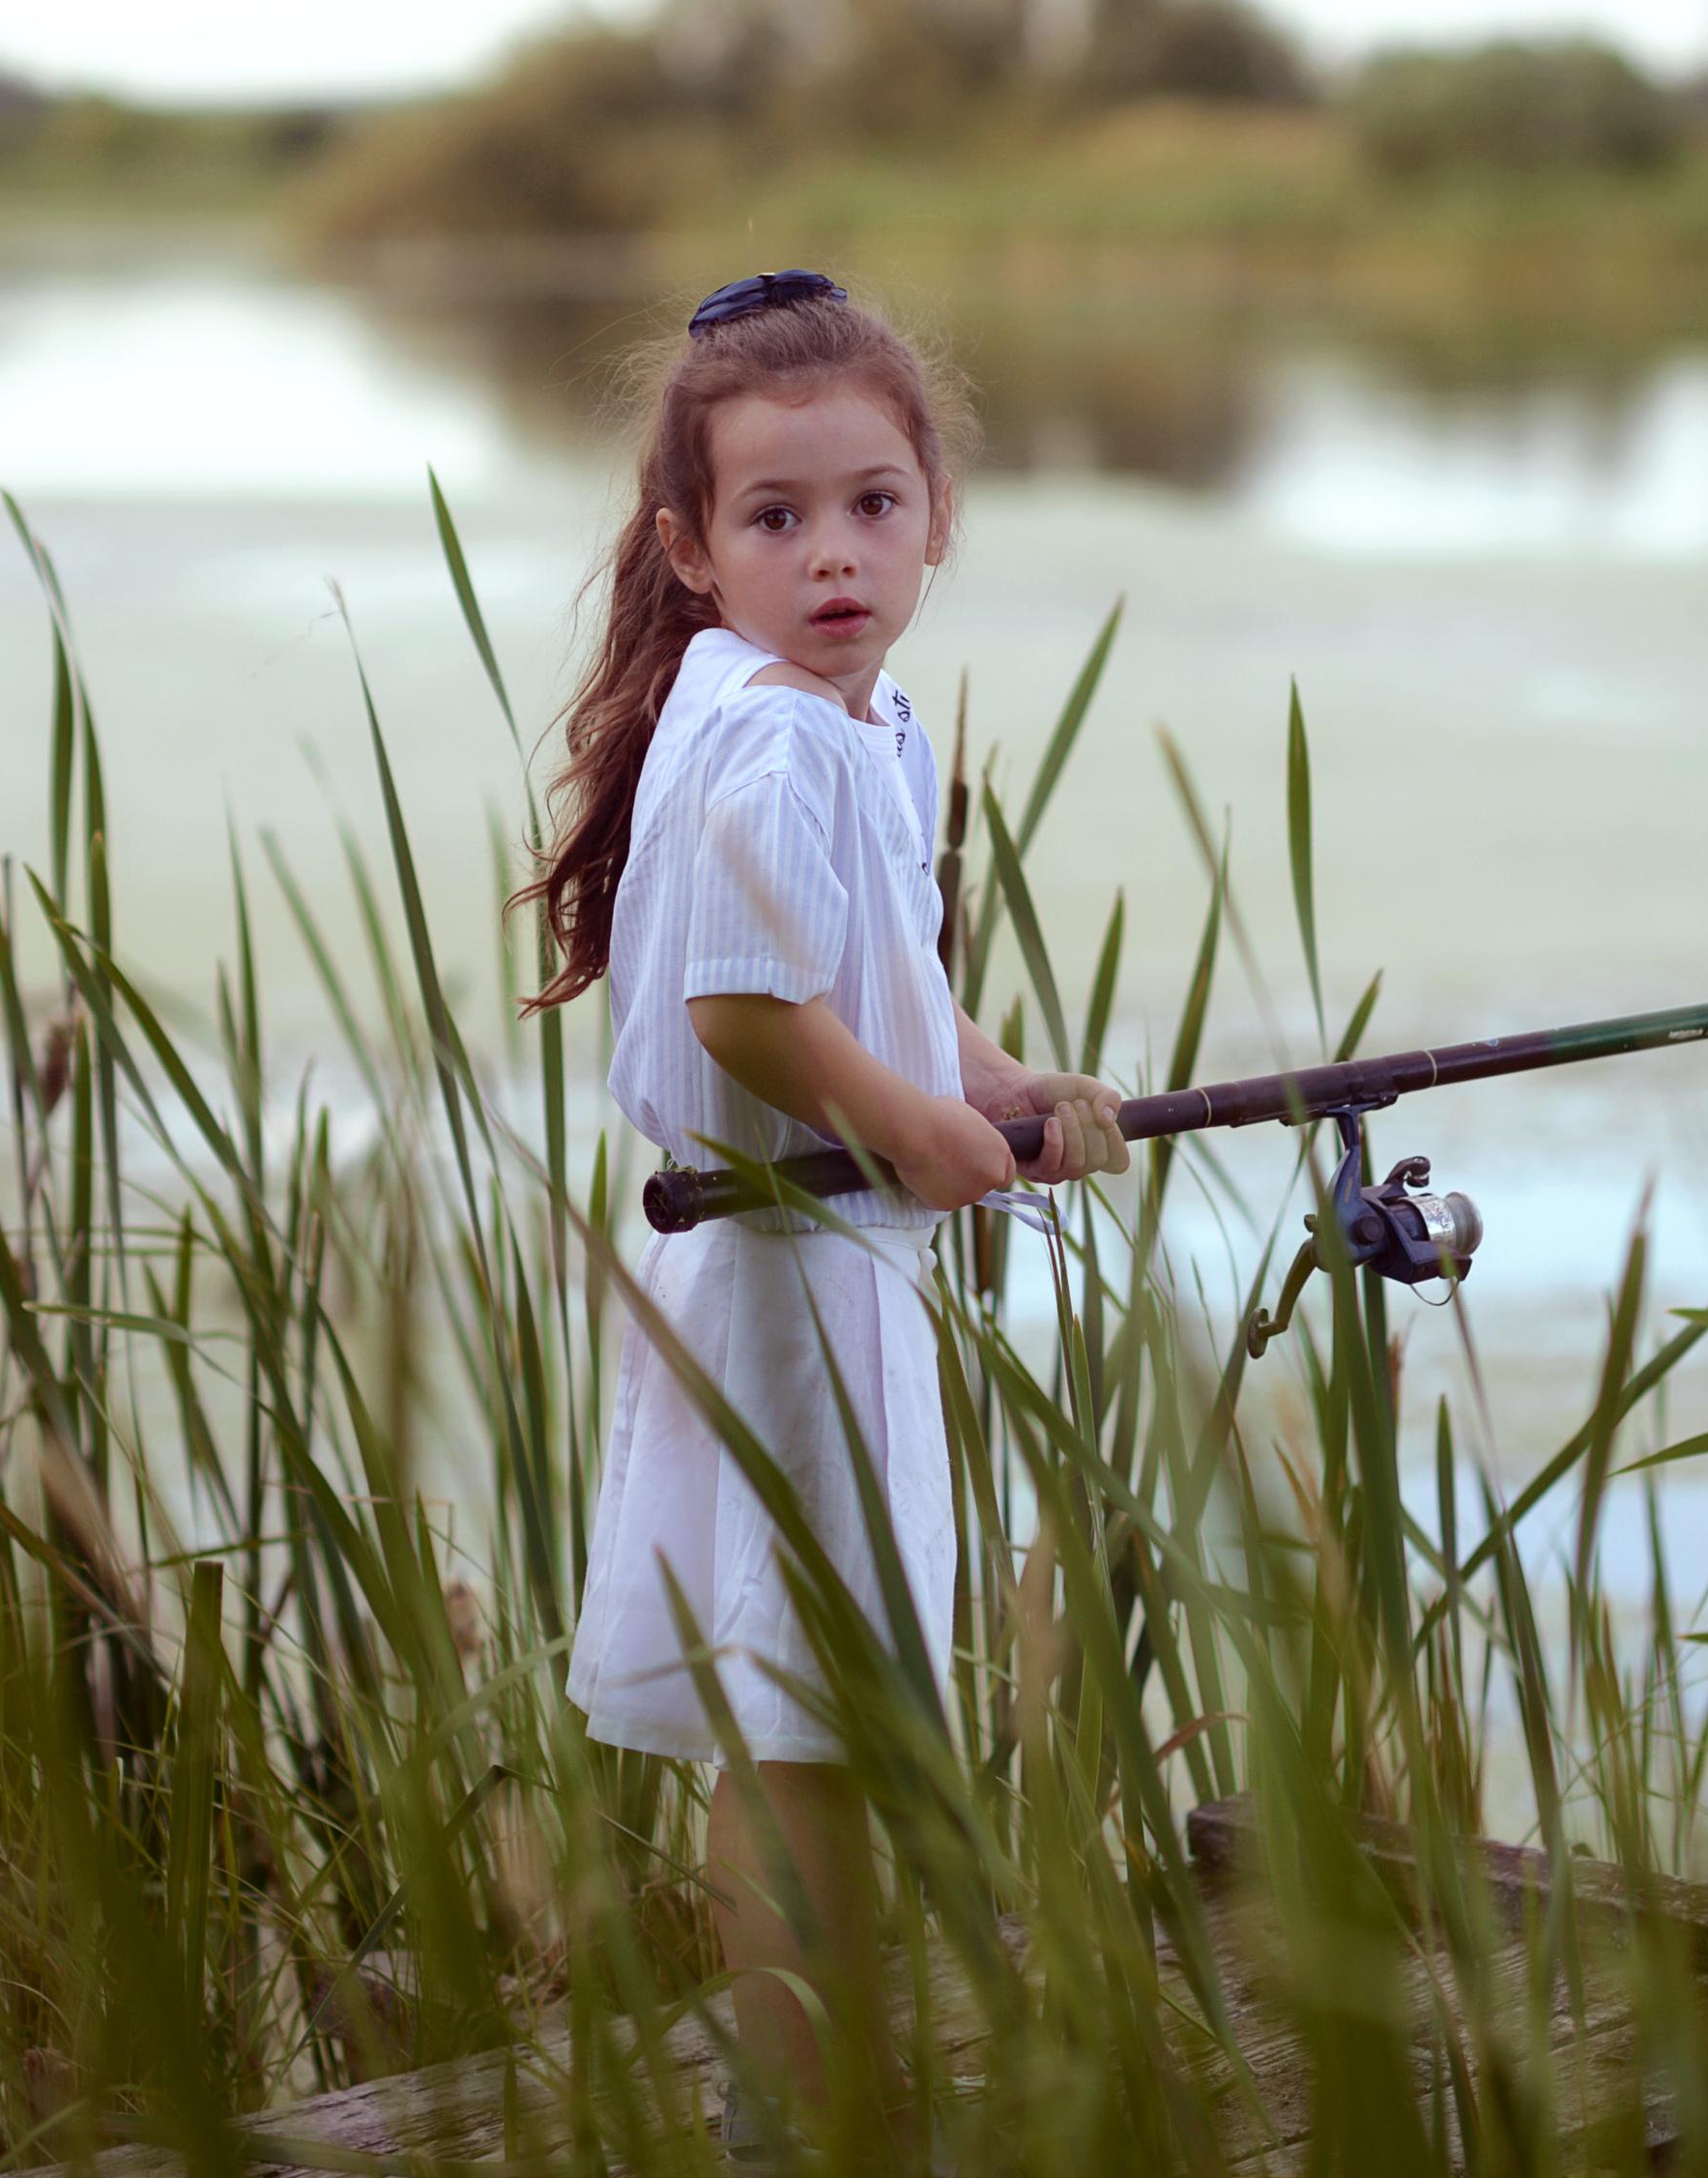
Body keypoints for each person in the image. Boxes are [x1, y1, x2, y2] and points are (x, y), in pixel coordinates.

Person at [520, 268, 1128, 2146]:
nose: (835, 551)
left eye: (872, 505)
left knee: (815, 1699)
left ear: (934, 513)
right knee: (797, 1713)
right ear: (692, 548)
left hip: (813, 1256)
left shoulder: (853, 721)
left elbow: (870, 962)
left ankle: (813, 2059)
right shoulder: (778, 732)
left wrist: (983, 1071)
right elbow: (739, 1000)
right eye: (776, 518)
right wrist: (907, 1126)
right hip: (781, 1272)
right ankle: (803, 2095)